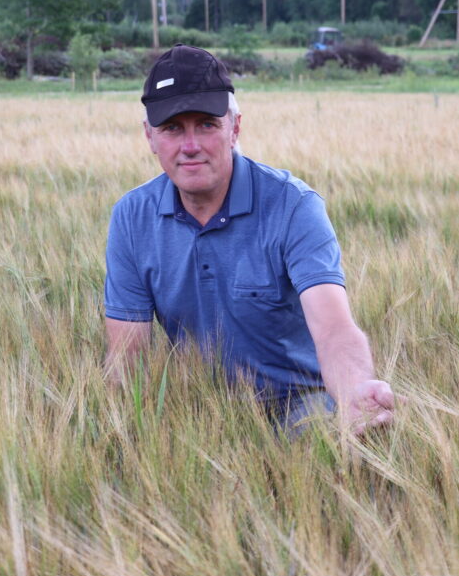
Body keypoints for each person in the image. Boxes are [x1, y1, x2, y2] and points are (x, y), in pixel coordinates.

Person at [103, 44, 400, 435]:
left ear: (235, 128)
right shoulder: (132, 217)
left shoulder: (293, 206)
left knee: (320, 446)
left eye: (207, 124)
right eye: (173, 128)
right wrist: (122, 437)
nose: (190, 146)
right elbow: (128, 358)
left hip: (299, 401)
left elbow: (333, 329)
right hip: (198, 404)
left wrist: (354, 390)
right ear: (150, 137)